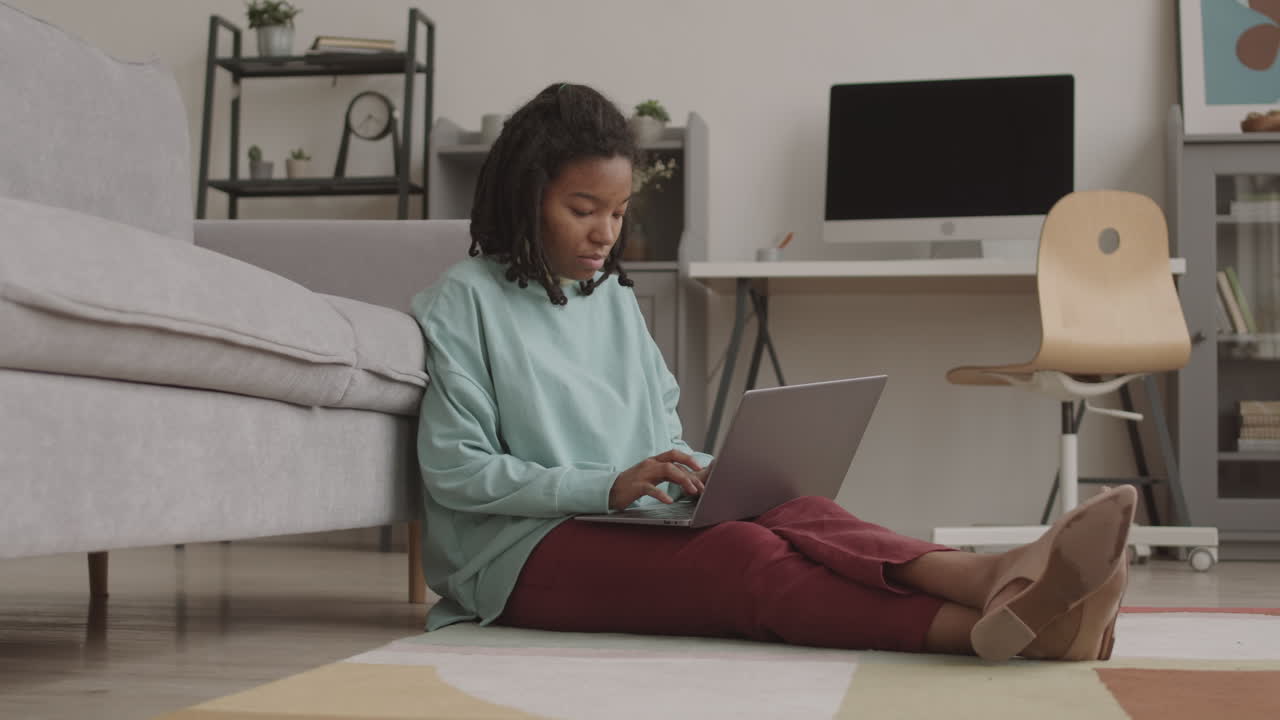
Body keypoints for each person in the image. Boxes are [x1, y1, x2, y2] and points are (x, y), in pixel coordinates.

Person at [411, 82, 1137, 661]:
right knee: (742, 554)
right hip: (517, 557)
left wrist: (713, 475)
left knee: (797, 509)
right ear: (525, 195)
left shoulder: (613, 302)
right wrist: (605, 483)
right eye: (583, 209)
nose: (607, 233)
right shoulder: (461, 303)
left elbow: (656, 439)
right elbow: (456, 473)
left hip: (623, 520)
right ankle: (994, 628)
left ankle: (993, 579)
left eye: (620, 210)